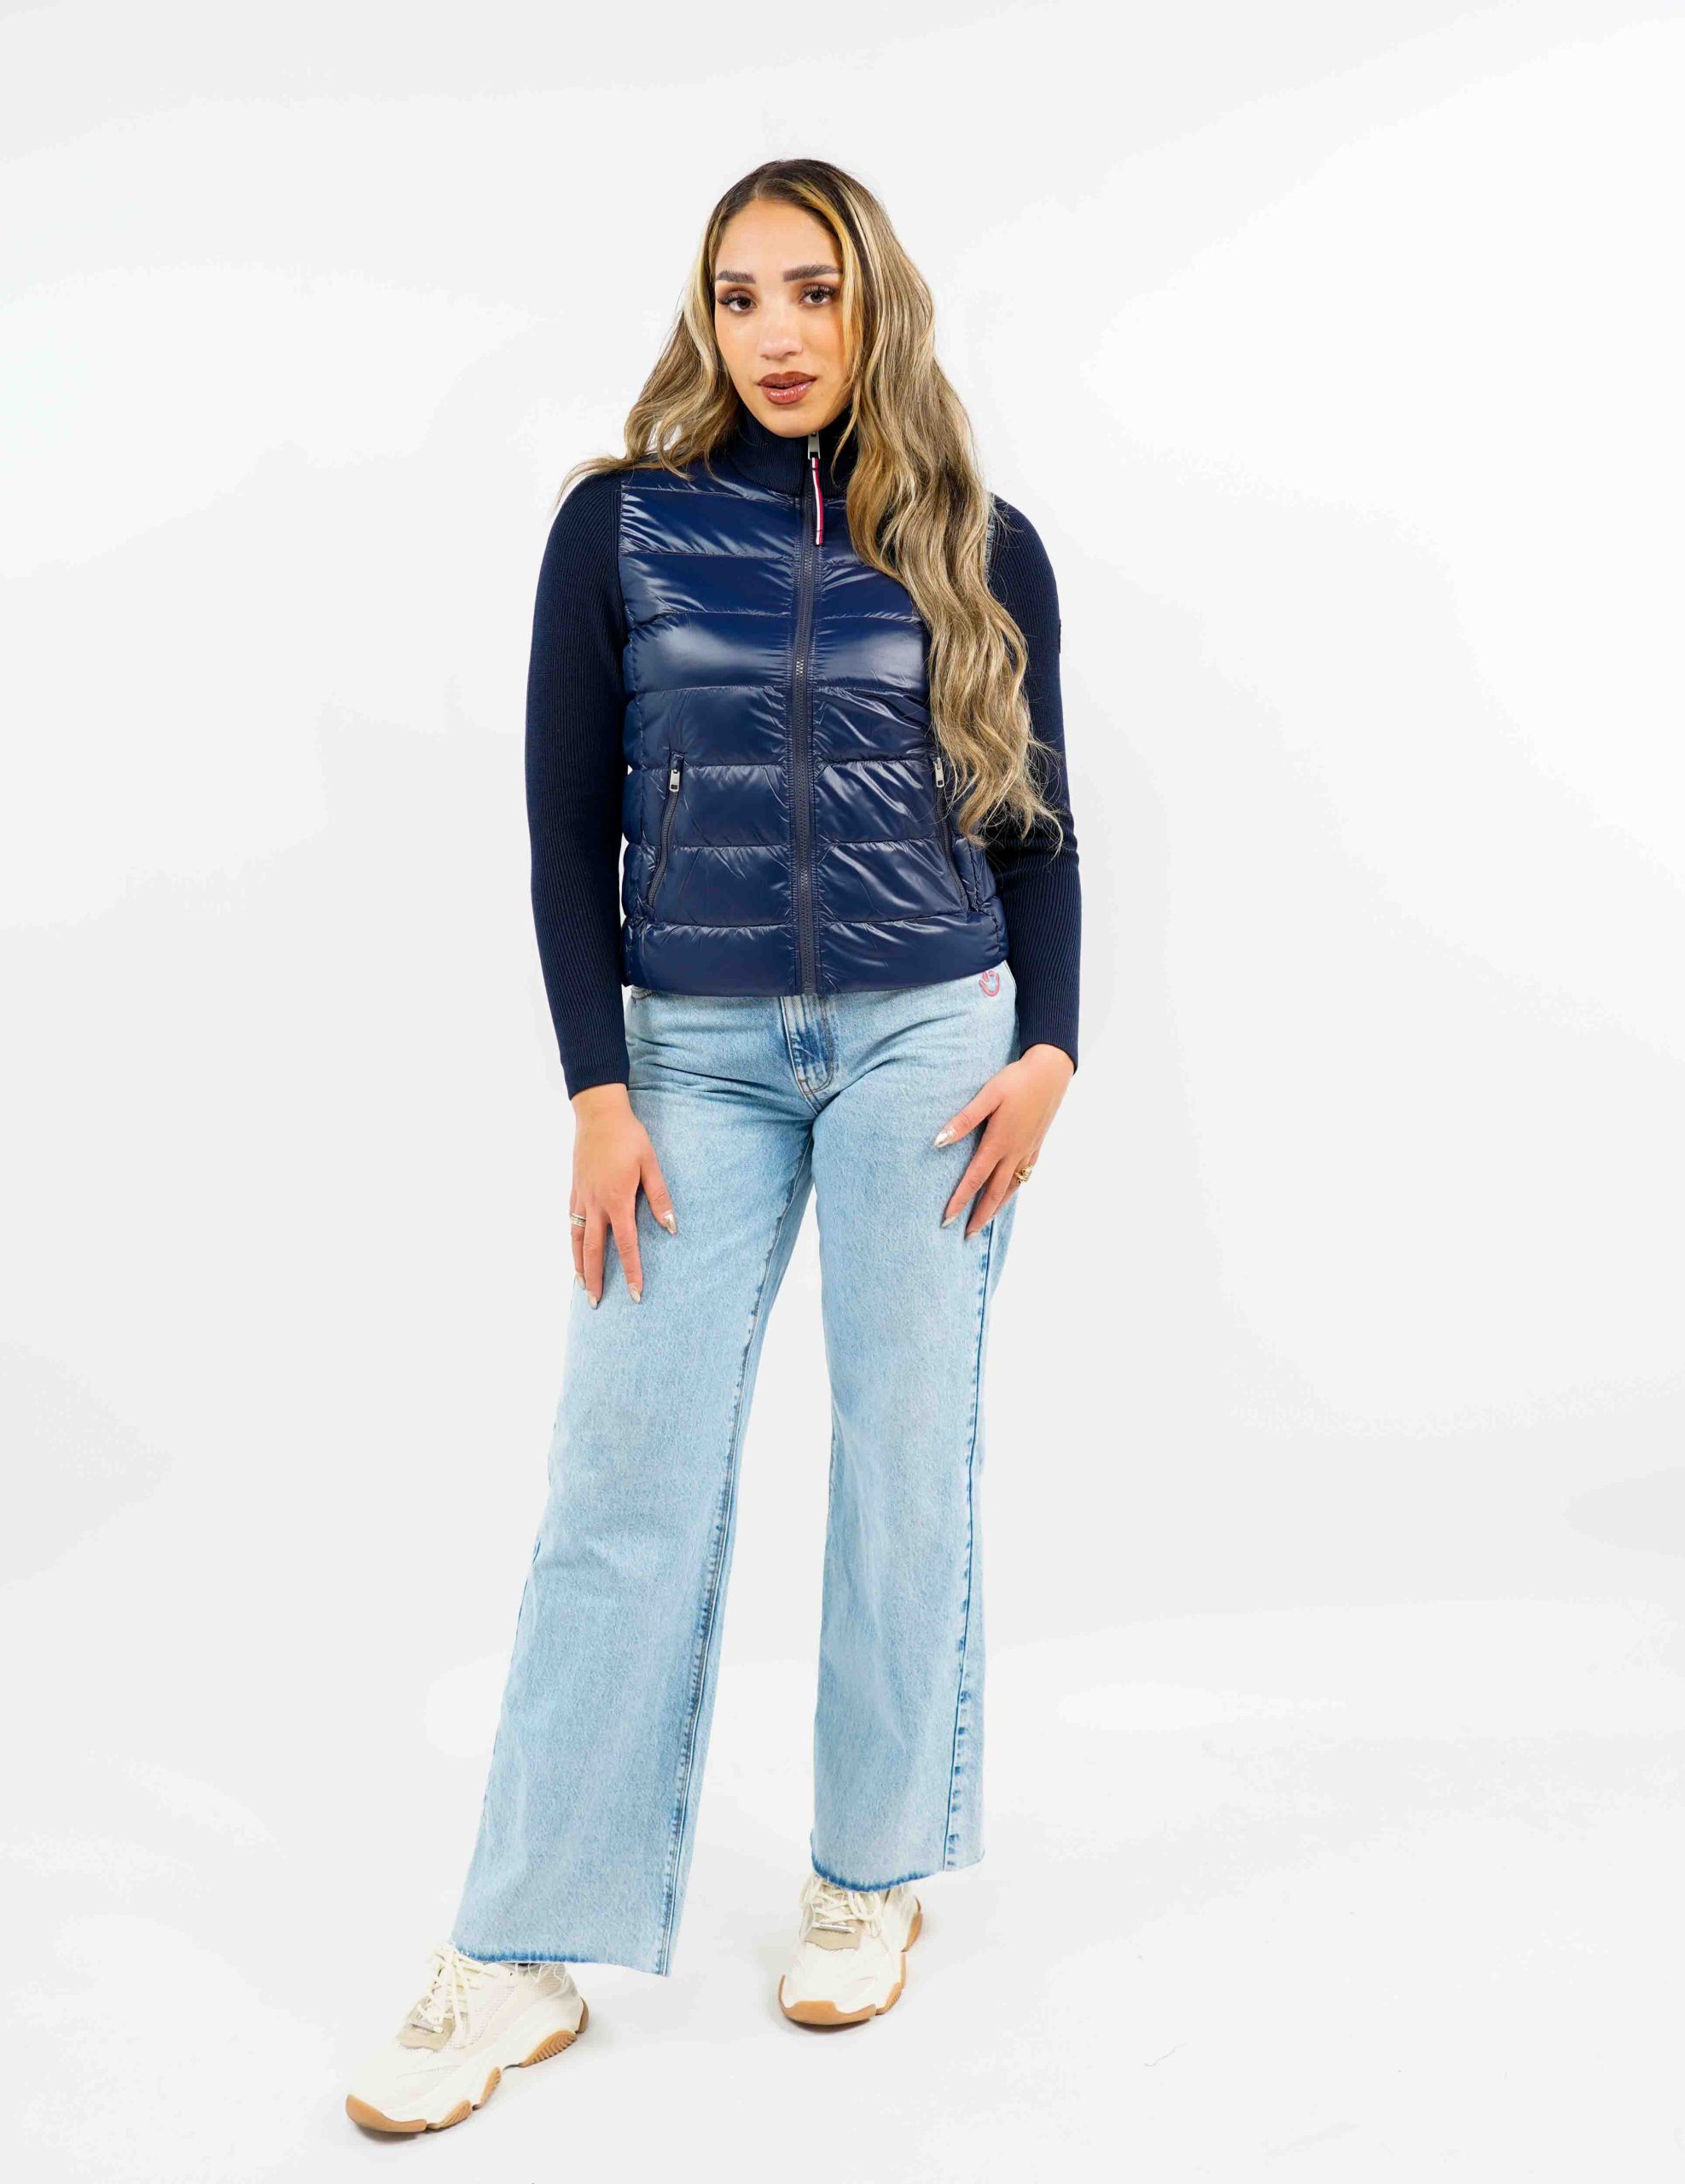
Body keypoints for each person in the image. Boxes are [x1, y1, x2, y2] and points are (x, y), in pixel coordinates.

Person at [346, 154, 1083, 2135]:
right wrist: (597, 1088)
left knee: (905, 1451)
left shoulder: (979, 541)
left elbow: (1036, 827)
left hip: (933, 1040)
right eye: (740, 294)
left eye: (812, 290)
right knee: (624, 1476)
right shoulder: (619, 525)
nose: (775, 331)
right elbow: (558, 825)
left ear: (874, 304)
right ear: (704, 313)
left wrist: (1050, 1046)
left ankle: (870, 1868)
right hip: (689, 1056)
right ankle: (517, 1948)